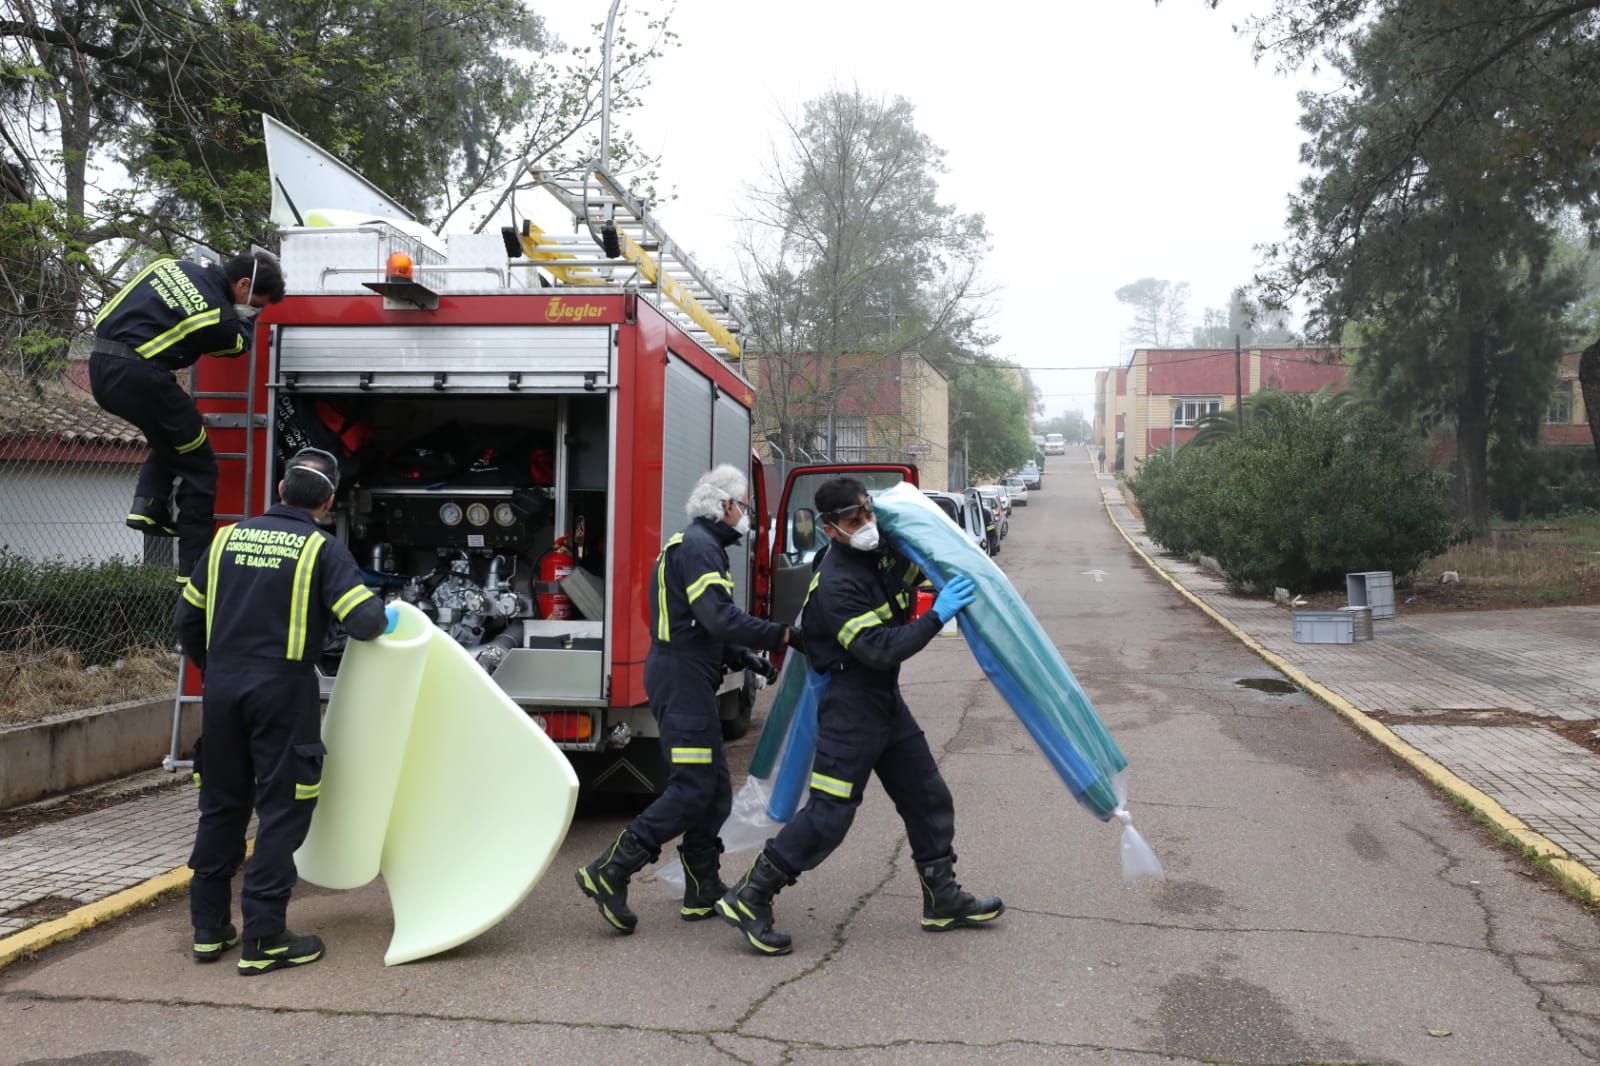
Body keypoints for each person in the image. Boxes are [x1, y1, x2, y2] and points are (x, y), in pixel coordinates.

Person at [718, 477, 1003, 956]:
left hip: (883, 703)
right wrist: (936, 617)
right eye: (855, 520)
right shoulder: (837, 584)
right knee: (830, 815)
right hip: (851, 707)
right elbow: (879, 648)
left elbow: (906, 572)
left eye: (869, 512)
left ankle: (942, 897)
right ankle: (752, 894)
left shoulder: (876, 555)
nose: (867, 524)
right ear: (830, 529)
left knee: (927, 794)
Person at [177, 446, 387, 975]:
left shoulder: (226, 539)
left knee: (222, 805)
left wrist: (218, 667)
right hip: (282, 693)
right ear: (330, 501)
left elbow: (186, 618)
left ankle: (208, 929)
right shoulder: (322, 550)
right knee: (282, 810)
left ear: (279, 491)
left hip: (222, 688)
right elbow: (365, 623)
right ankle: (265, 937)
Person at [576, 464, 802, 934]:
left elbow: (698, 622)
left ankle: (702, 888)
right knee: (693, 787)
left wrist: (746, 656)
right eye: (745, 506)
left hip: (686, 675)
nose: (749, 517)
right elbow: (717, 617)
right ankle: (610, 870)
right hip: (682, 682)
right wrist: (782, 635)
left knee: (715, 791)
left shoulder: (695, 544)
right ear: (724, 505)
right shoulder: (701, 548)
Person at [91, 251, 287, 579]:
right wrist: (249, 321)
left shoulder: (167, 265)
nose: (255, 309)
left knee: (175, 434)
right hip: (141, 376)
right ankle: (193, 570)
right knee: (201, 466)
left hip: (100, 365)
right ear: (242, 284)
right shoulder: (217, 316)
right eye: (257, 302)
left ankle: (148, 506)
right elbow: (237, 345)